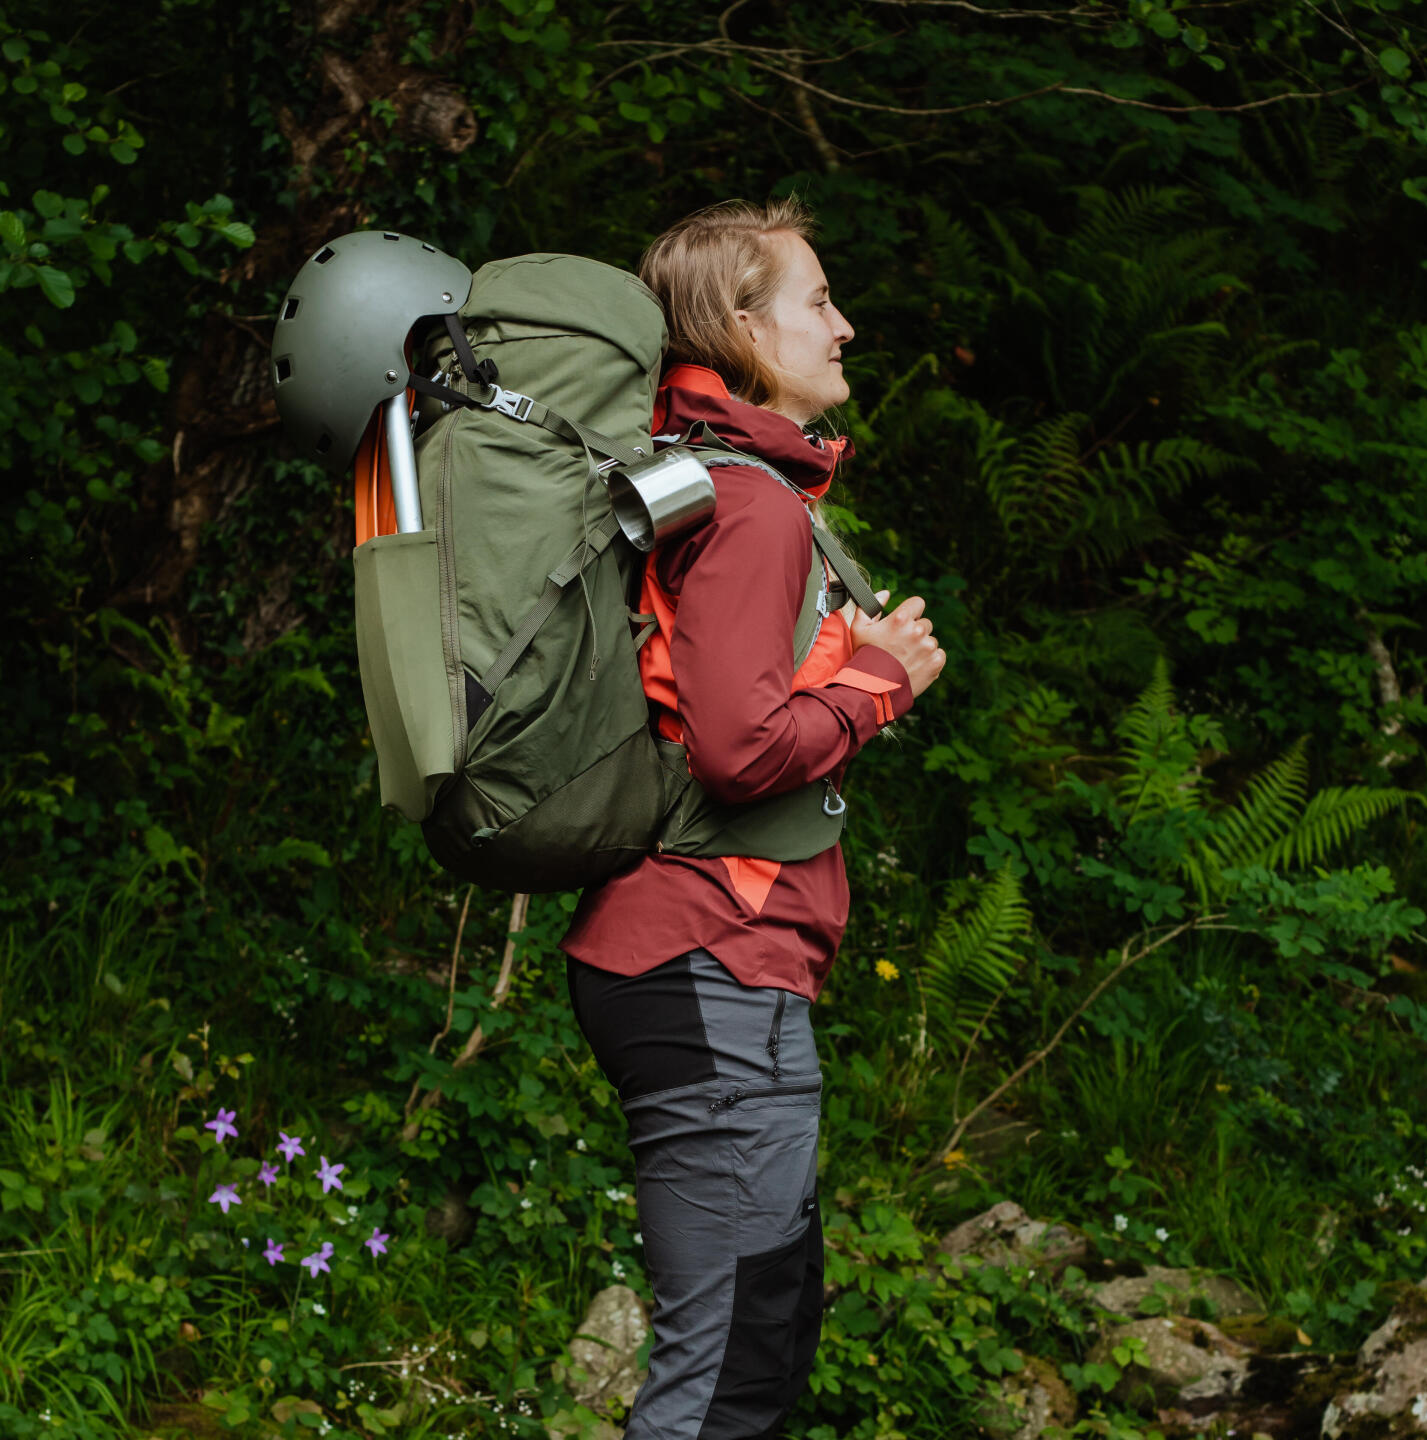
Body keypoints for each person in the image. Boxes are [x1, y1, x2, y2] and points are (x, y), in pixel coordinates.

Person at [562, 198, 946, 1439]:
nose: (844, 325)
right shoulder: (750, 505)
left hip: (721, 963)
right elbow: (737, 749)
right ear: (741, 326)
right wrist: (879, 682)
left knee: (762, 1349)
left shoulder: (718, 487)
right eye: (818, 301)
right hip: (706, 954)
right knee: (726, 1373)